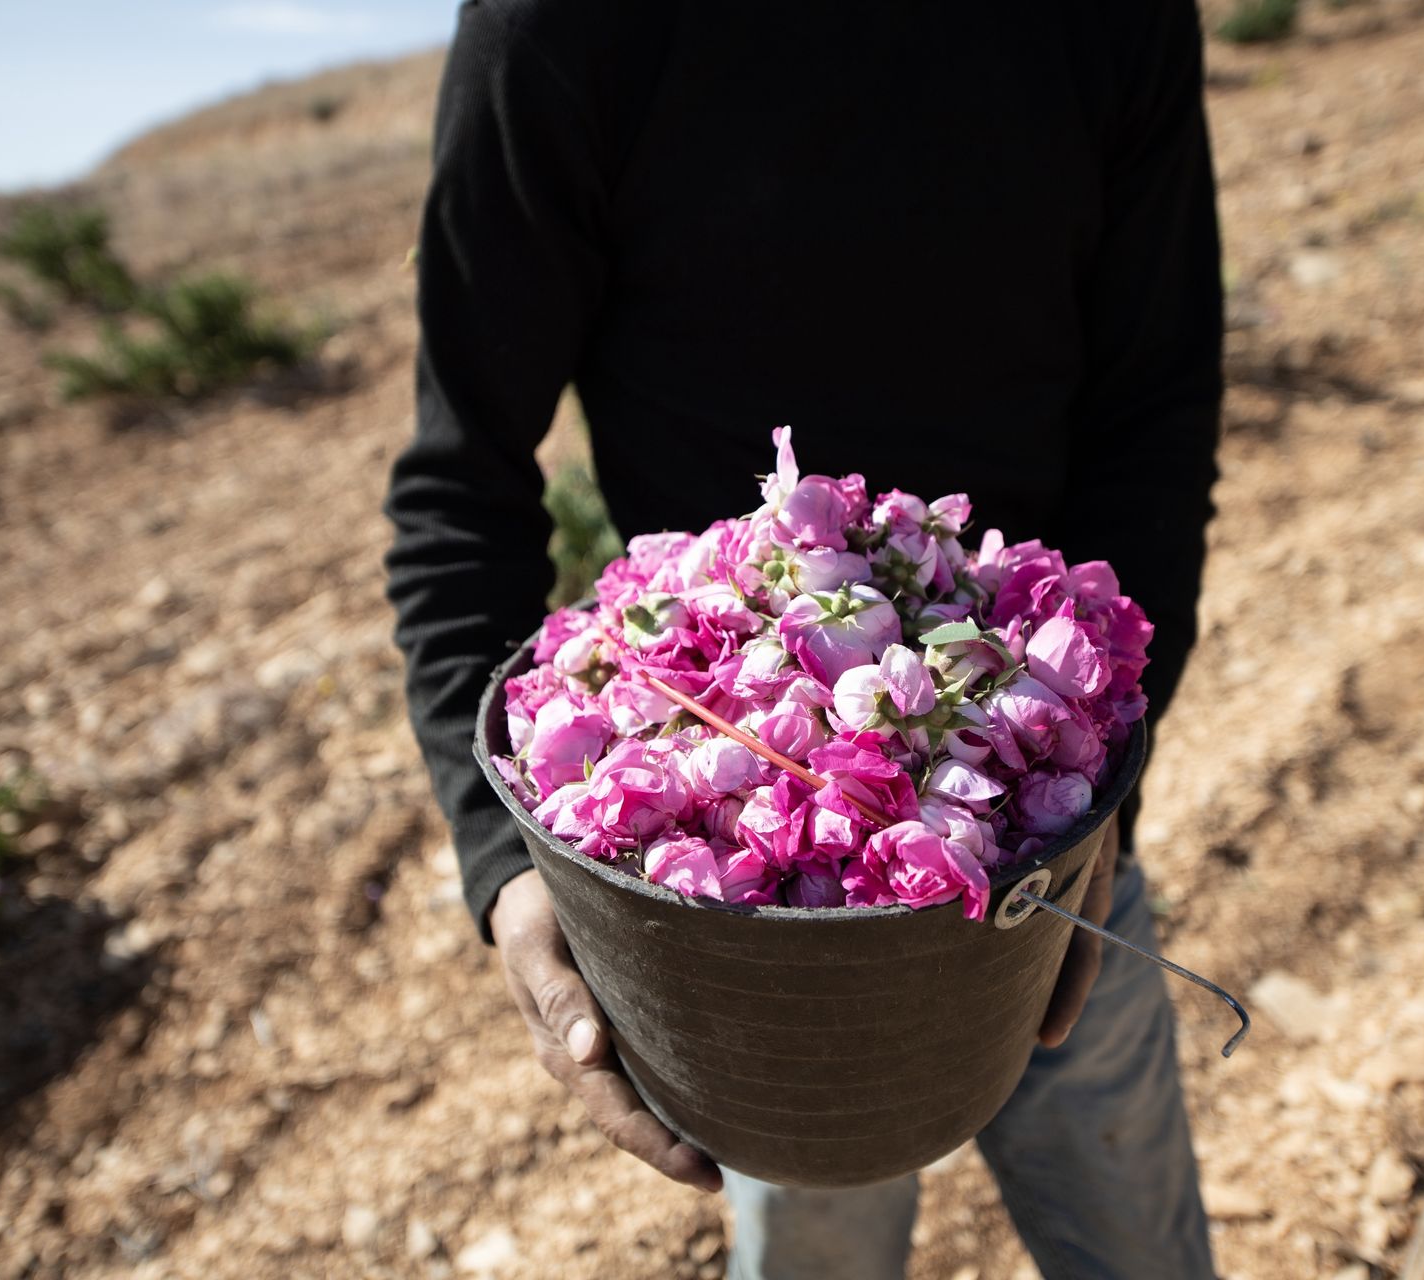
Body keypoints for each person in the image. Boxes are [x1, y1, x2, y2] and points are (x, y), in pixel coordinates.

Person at [384, 1, 1223, 1275]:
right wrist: (507, 859)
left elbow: (1154, 417)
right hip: (737, 922)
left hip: (1044, 824)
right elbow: (460, 486)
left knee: (1130, 1222)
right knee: (815, 1225)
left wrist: (1097, 784)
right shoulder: (558, 24)